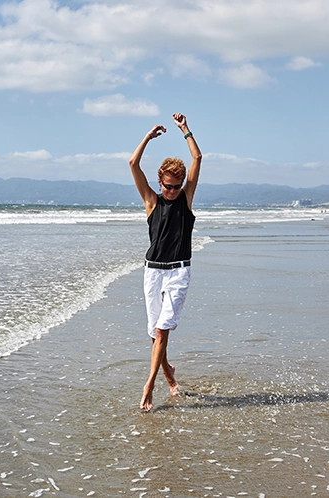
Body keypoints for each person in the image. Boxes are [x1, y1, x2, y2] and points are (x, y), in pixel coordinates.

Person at [128, 113, 202, 411]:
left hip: (178, 273)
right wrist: (147, 137)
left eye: (177, 186)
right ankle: (169, 373)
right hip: (152, 272)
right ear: (160, 183)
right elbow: (133, 165)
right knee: (154, 331)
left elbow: (197, 157)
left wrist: (185, 130)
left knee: (162, 331)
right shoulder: (151, 201)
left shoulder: (185, 199)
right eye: (168, 186)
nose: (172, 191)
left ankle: (149, 385)